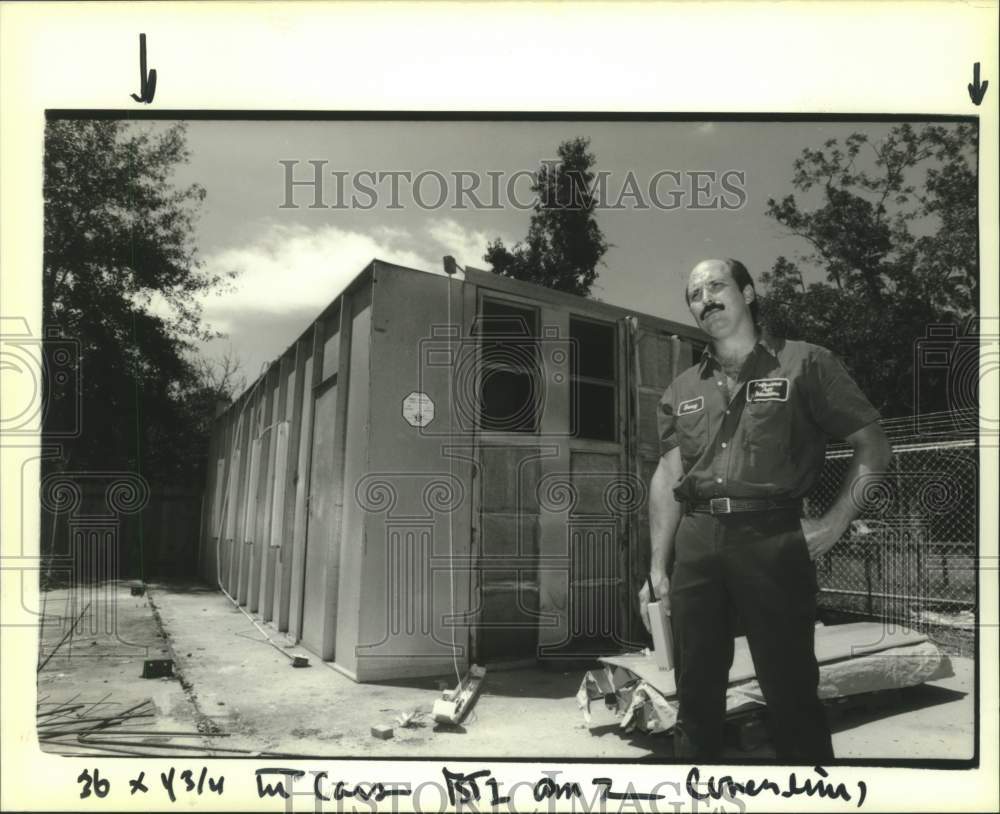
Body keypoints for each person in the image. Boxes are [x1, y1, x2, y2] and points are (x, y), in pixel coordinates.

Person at [639, 258, 892, 763]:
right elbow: (668, 478)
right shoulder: (681, 390)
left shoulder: (806, 362)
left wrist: (836, 521)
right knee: (695, 693)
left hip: (774, 537)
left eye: (717, 286)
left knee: (791, 690)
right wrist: (656, 567)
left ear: (749, 293)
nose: (705, 298)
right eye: (695, 294)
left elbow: (874, 445)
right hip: (698, 538)